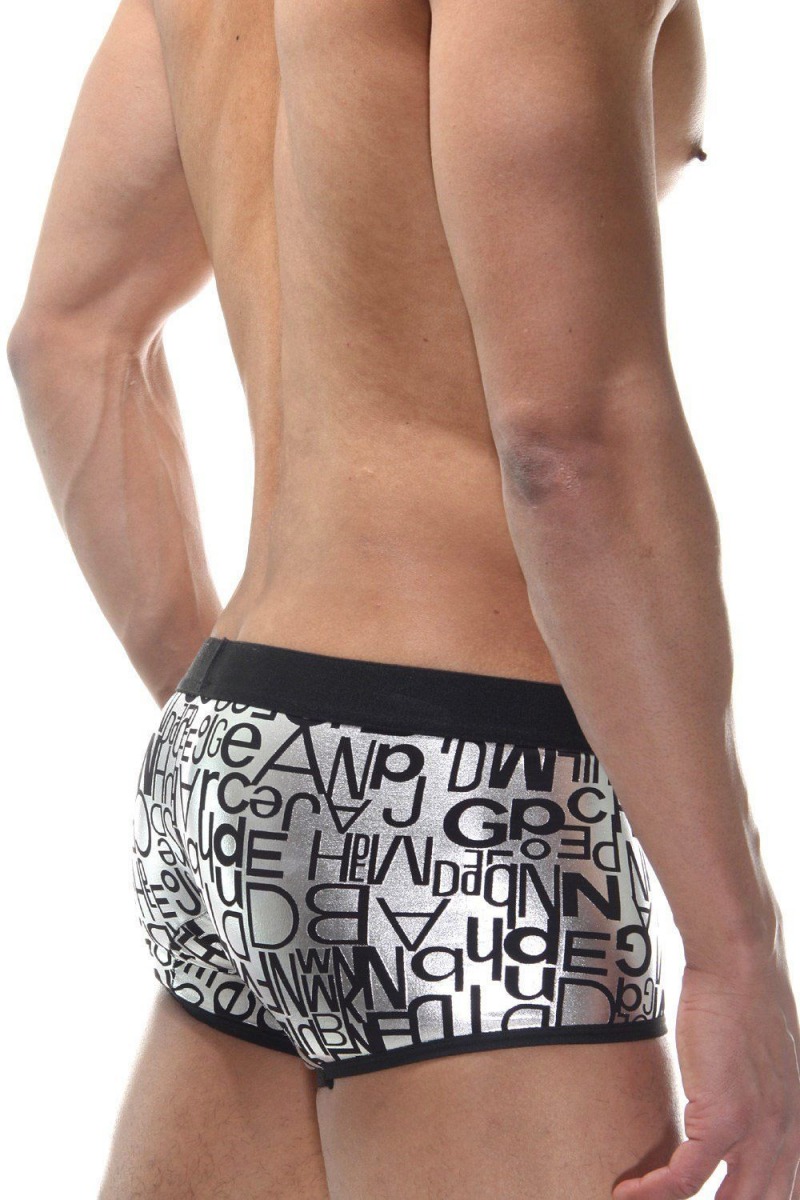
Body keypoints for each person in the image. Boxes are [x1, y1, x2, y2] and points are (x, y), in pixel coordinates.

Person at [8, 0, 800, 1196]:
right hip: (465, 784)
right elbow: (565, 447)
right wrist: (734, 946)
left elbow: (65, 340)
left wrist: (277, 752)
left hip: (228, 749)